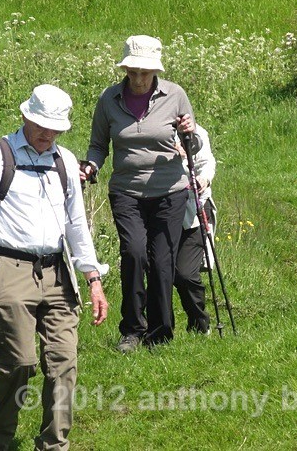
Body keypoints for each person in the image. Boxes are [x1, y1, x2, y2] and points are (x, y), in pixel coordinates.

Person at [0, 84, 109, 451]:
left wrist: (93, 278)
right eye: (41, 125)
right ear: (24, 116)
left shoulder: (65, 162)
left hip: (58, 272)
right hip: (7, 267)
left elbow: (76, 224)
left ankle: (54, 445)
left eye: (55, 128)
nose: (47, 134)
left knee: (63, 364)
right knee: (20, 363)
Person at [81, 35, 200, 353]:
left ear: (155, 71)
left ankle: (161, 332)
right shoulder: (109, 99)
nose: (137, 78)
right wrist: (91, 166)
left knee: (162, 262)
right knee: (133, 254)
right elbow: (97, 145)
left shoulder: (175, 95)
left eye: (144, 72)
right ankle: (133, 330)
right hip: (126, 192)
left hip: (170, 192)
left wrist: (189, 133)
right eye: (132, 71)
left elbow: (194, 145)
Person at [175, 123, 215, 334]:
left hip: (192, 214)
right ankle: (158, 331)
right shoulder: (149, 132)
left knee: (185, 274)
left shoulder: (194, 131)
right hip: (157, 212)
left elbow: (207, 163)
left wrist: (203, 179)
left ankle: (199, 324)